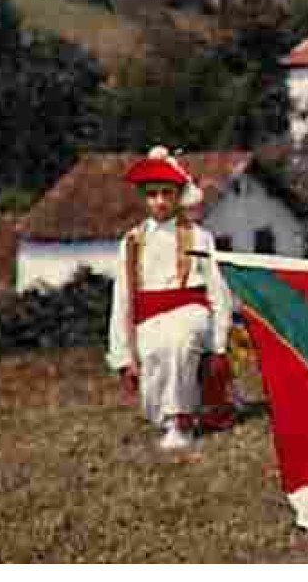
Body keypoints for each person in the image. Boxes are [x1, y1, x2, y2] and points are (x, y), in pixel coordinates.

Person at [107, 147, 233, 452]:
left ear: (178, 196)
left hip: (191, 310)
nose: (160, 201)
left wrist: (219, 343)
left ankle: (181, 420)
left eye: (167, 193)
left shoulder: (199, 237)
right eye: (153, 194)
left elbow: (218, 290)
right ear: (144, 197)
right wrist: (122, 353)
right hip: (150, 314)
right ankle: (165, 415)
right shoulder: (132, 241)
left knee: (178, 340)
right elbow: (123, 298)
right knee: (154, 347)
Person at [178, 178, 236, 433]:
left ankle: (216, 408)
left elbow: (213, 279)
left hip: (204, 307)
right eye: (190, 209)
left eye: (198, 209)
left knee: (213, 363)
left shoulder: (203, 237)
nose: (196, 214)